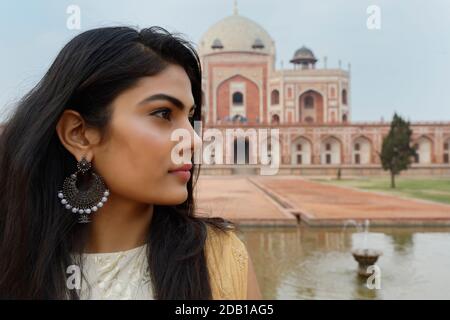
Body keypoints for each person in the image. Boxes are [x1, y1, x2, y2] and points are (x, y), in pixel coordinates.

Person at [0, 26, 261, 300]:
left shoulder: (220, 261)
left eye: (191, 116)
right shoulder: (14, 264)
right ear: (78, 134)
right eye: (163, 113)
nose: (194, 140)